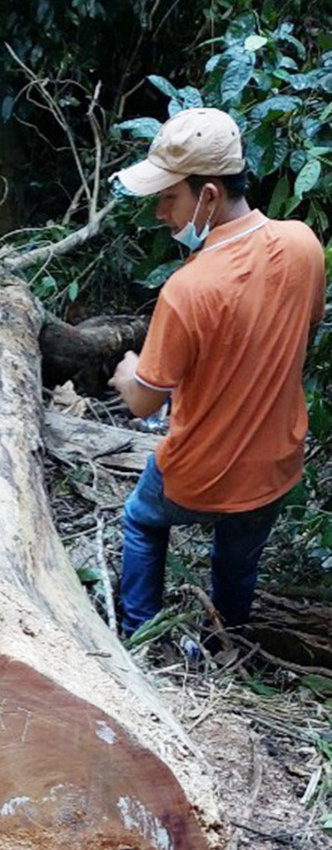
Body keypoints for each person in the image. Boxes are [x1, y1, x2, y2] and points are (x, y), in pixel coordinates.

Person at [109, 107, 326, 640]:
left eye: (169, 198)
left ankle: (140, 632)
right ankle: (231, 634)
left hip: (198, 474)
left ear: (207, 195)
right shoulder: (303, 243)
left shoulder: (188, 288)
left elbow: (142, 403)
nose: (160, 212)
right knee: (237, 559)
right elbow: (305, 329)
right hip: (275, 465)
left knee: (142, 522)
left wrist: (128, 372)